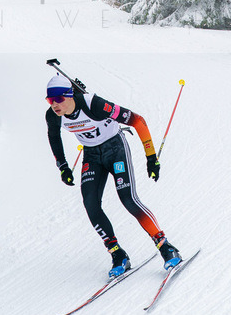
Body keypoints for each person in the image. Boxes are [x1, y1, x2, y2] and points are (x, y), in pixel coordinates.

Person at [45, 73, 181, 277]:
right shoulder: (52, 115)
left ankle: (166, 247)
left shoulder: (94, 105)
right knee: (90, 203)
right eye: (50, 100)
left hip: (115, 149)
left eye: (58, 99)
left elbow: (138, 120)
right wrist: (63, 166)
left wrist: (151, 158)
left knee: (128, 199)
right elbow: (54, 138)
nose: (54, 104)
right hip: (92, 155)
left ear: (70, 95)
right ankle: (118, 254)